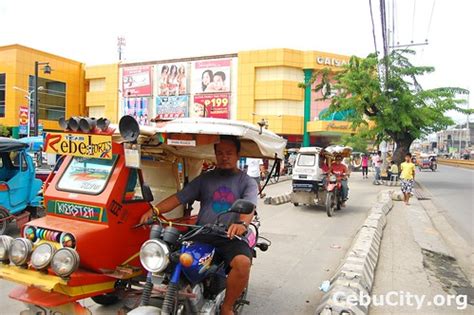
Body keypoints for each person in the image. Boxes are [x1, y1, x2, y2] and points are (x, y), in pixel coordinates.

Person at [139, 136, 256, 315]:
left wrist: (241, 224)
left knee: (242, 263)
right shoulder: (205, 179)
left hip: (229, 236)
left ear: (238, 155)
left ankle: (227, 306)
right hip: (202, 232)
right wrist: (154, 211)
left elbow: (249, 206)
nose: (224, 157)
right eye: (220, 153)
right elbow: (179, 198)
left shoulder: (247, 182)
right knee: (171, 257)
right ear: (215, 155)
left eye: (229, 153)